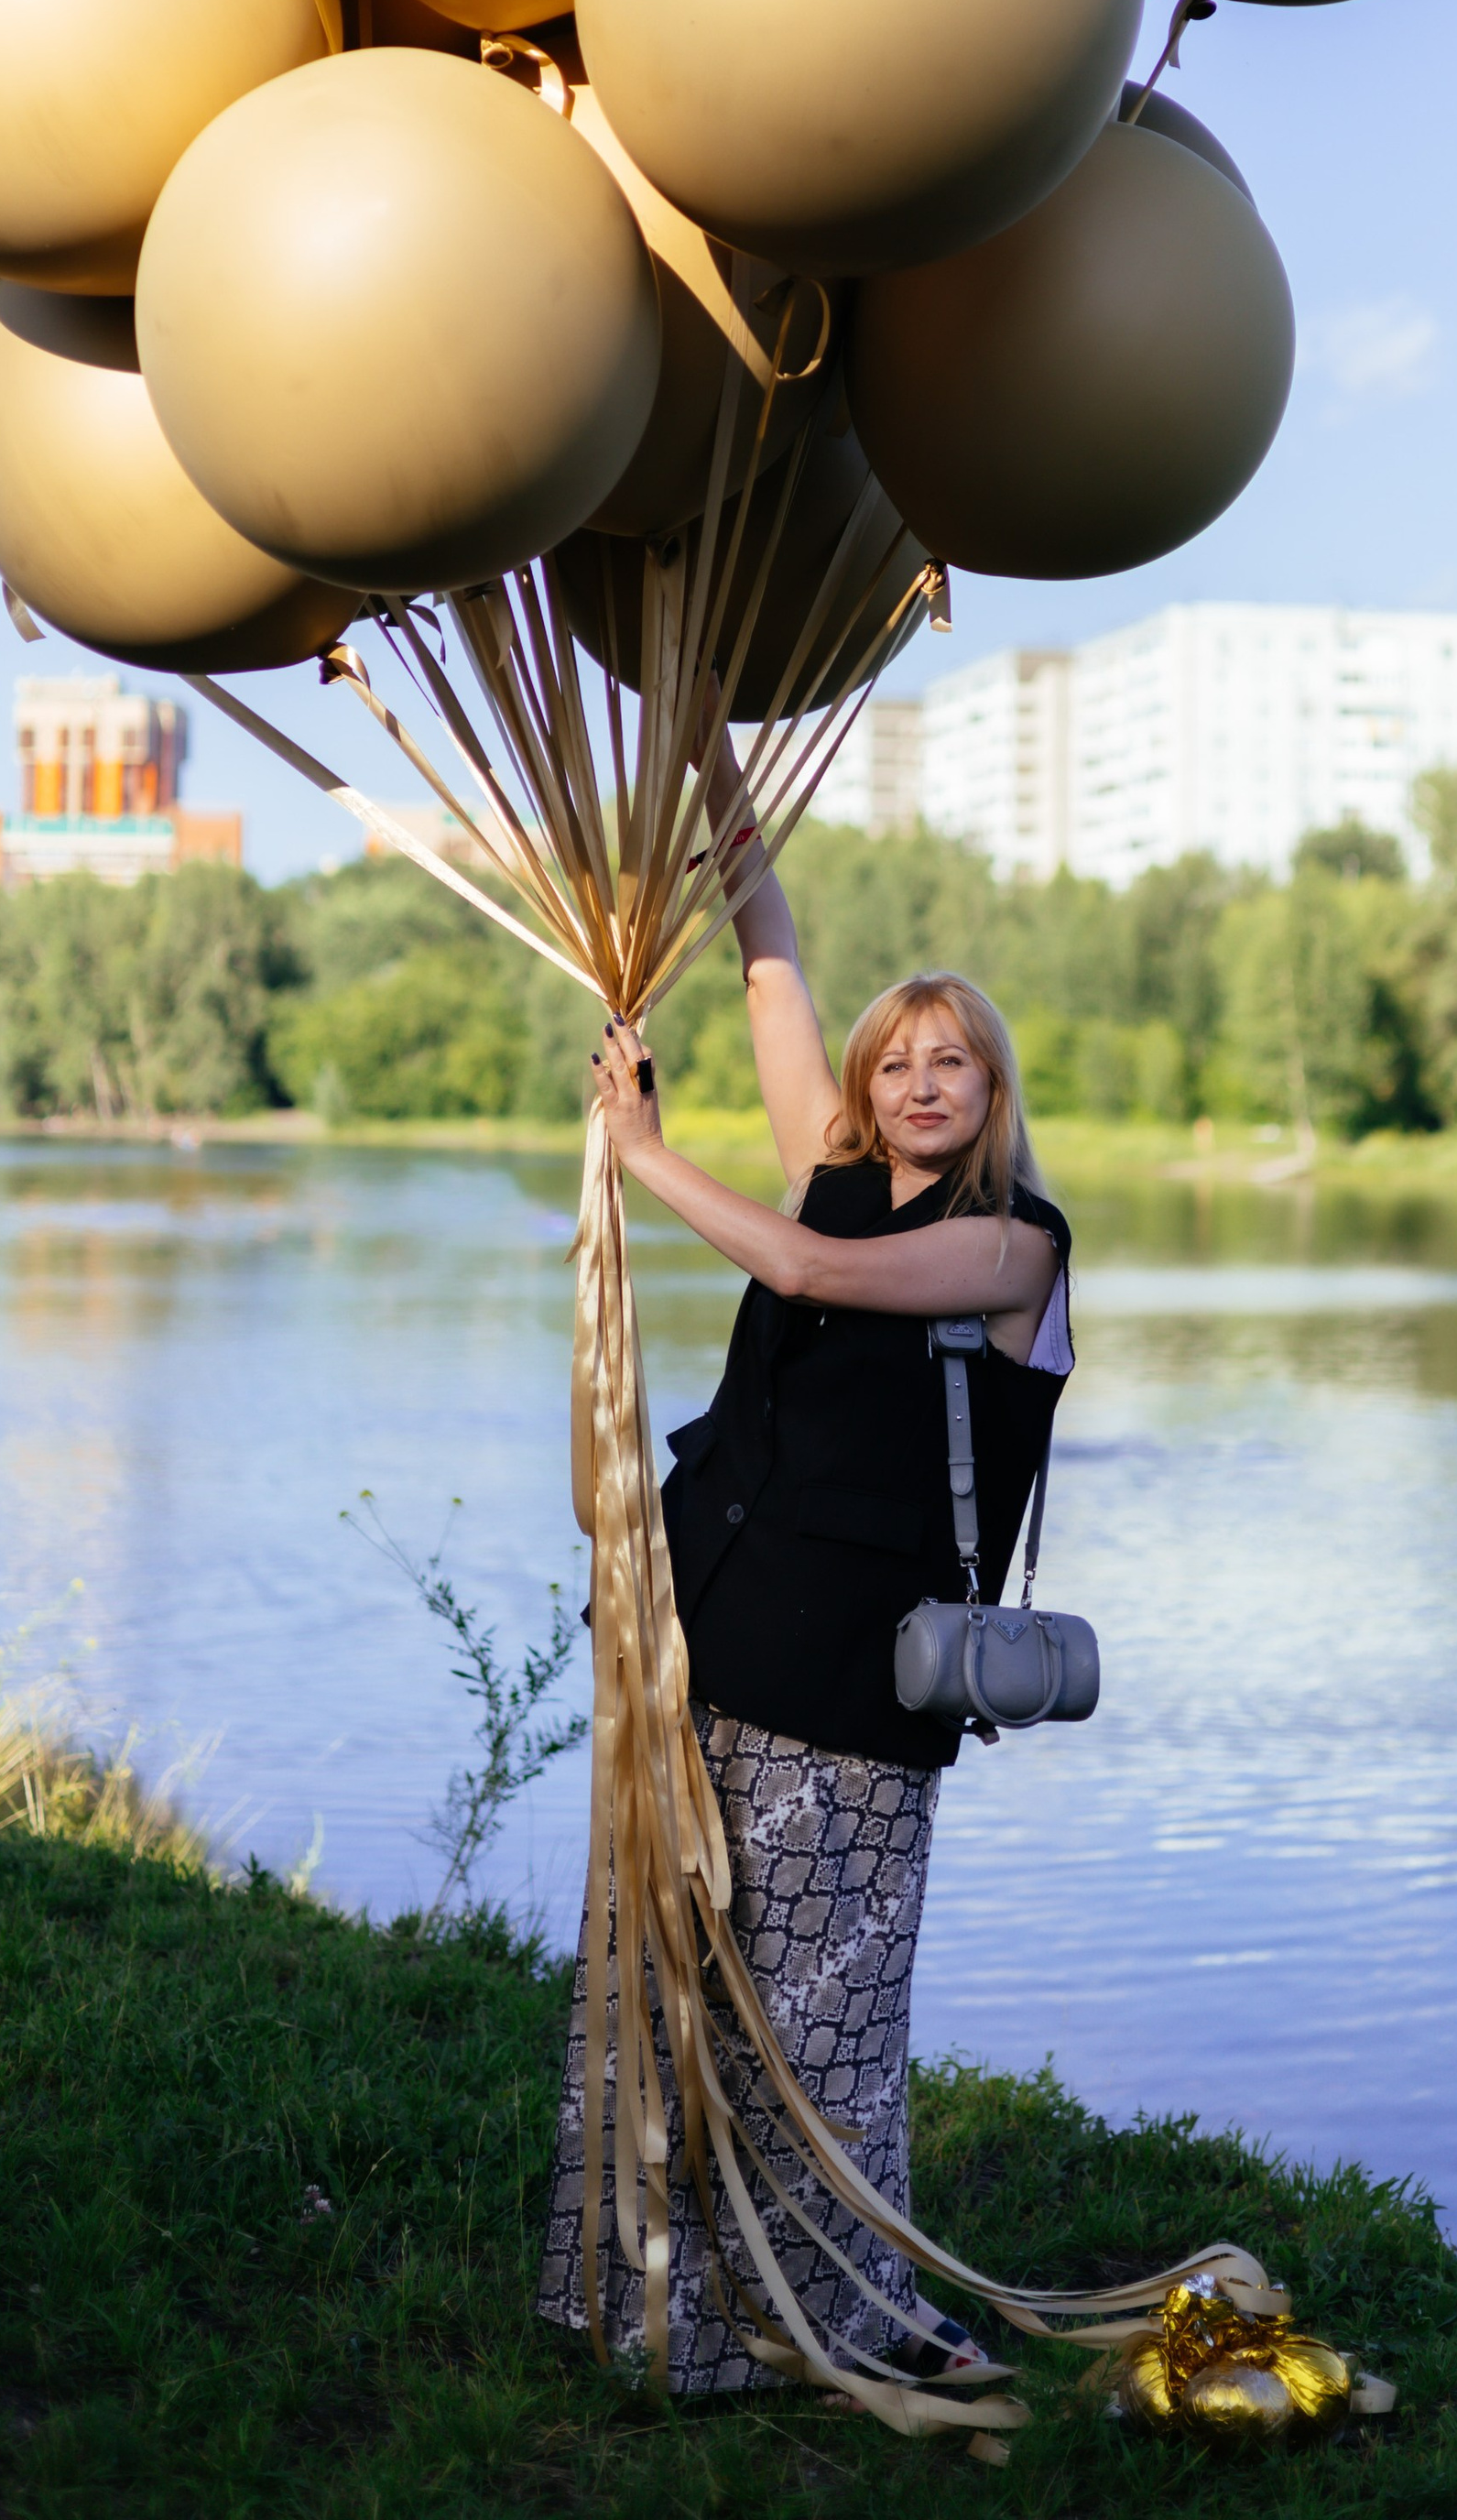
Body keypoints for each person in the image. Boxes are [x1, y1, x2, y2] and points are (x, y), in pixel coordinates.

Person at [536, 747, 1074, 2393]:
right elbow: (769, 954)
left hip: (852, 1687)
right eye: (896, 1060)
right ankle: (659, 2310)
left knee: (820, 2021)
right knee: (673, 1985)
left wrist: (636, 1154)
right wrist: (714, 771)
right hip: (709, 1648)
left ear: (990, 1095)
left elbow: (805, 1264)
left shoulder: (1013, 1247)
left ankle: (830, 2313)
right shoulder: (835, 1161)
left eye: (953, 1064)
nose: (920, 1083)